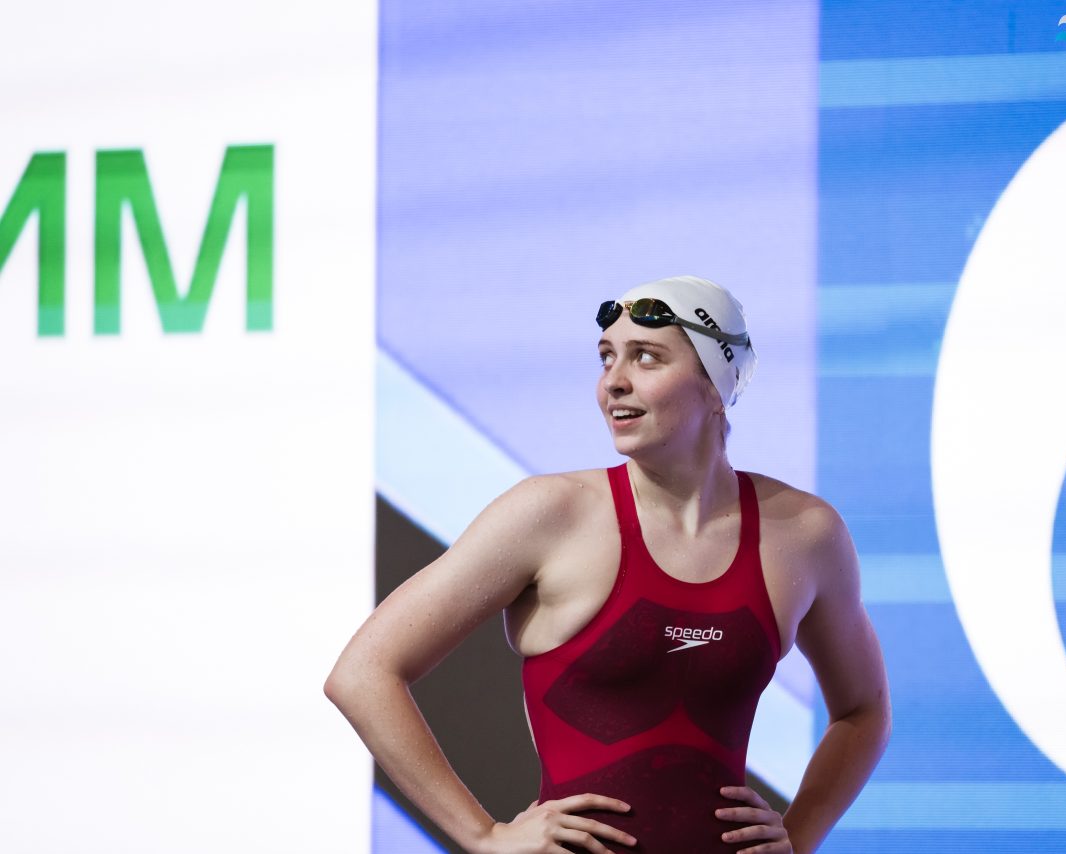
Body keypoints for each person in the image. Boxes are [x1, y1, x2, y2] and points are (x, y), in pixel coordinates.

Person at [325, 275, 891, 853]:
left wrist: (799, 835)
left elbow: (863, 710)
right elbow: (364, 673)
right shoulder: (551, 513)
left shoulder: (804, 535)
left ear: (715, 384)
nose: (613, 382)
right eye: (606, 357)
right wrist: (483, 836)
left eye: (646, 357)